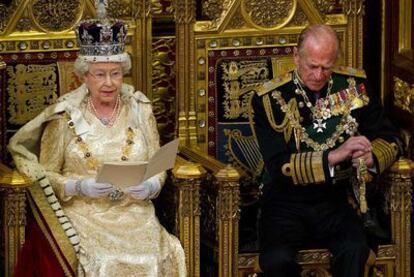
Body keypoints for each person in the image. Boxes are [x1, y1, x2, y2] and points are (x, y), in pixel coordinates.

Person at [7, 1, 185, 276]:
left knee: (156, 256)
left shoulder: (141, 108)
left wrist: (151, 185)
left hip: (135, 213)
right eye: (99, 74)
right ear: (83, 77)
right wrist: (79, 186)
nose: (109, 83)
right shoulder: (64, 117)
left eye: (115, 74)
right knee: (103, 260)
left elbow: (158, 162)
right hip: (84, 214)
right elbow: (45, 175)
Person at [252, 24, 402, 277]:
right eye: (312, 66)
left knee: (355, 250)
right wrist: (335, 155)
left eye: (327, 67)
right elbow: (279, 165)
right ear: (296, 57)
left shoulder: (353, 88)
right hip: (285, 203)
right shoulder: (269, 99)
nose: (319, 75)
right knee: (277, 260)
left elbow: (391, 138)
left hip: (336, 200)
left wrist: (371, 156)